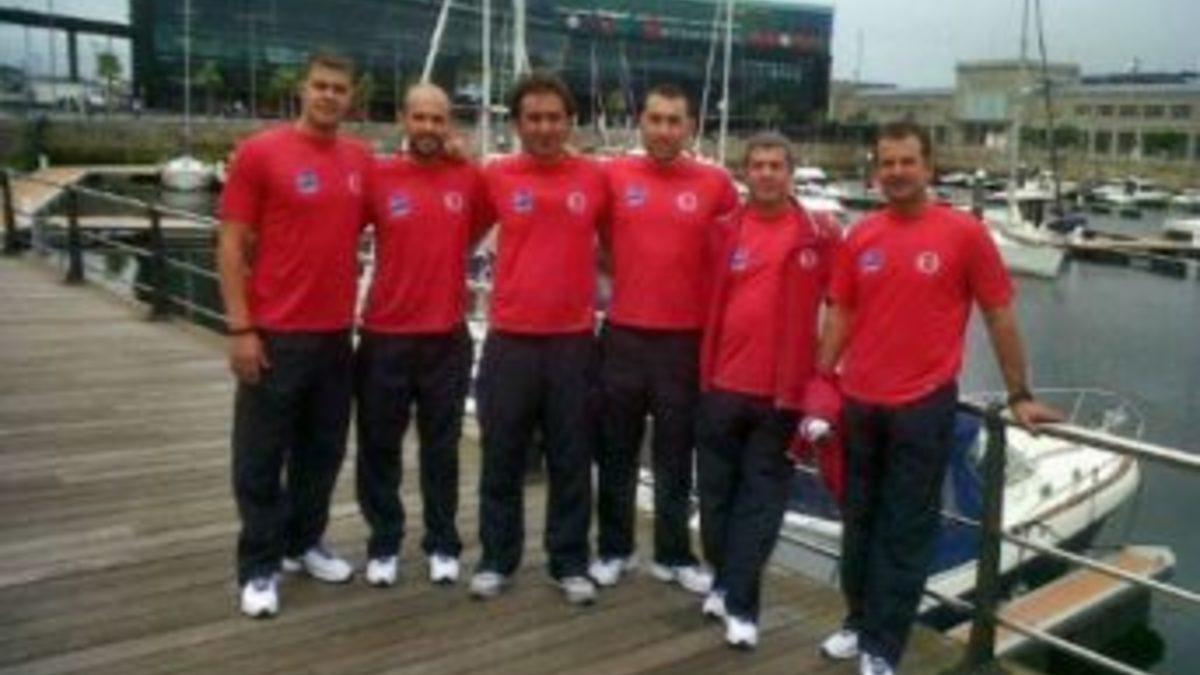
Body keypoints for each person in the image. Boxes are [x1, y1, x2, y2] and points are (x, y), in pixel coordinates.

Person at [814, 120, 1062, 675]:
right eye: (887, 162)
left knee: (904, 531)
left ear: (928, 167)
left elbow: (998, 315)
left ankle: (883, 646)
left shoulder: (964, 234)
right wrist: (820, 380)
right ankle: (857, 622)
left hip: (921, 407)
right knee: (859, 522)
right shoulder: (862, 235)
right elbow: (843, 311)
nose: (897, 172)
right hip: (860, 404)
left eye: (908, 161)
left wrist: (1019, 393)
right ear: (876, 171)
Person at [217, 51, 370, 618]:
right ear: (303, 90)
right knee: (260, 456)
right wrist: (240, 327)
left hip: (335, 335)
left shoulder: (360, 160)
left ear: (351, 97)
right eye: (320, 85)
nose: (329, 95)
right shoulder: (261, 153)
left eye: (339, 88)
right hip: (275, 333)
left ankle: (303, 543)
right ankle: (260, 564)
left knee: (322, 452)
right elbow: (231, 243)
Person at [589, 84, 738, 594]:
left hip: (684, 342)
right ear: (641, 122)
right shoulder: (612, 176)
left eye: (675, 121)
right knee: (616, 452)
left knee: (676, 455)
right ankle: (615, 549)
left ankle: (673, 554)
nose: (665, 130)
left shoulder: (717, 184)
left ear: (690, 127)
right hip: (624, 336)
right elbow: (597, 243)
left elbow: (739, 251)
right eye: (656, 119)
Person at [468, 72, 609, 606]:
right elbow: (461, 233)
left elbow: (621, 245)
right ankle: (496, 559)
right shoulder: (496, 176)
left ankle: (568, 561)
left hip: (573, 343)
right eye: (534, 118)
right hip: (511, 341)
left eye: (554, 117)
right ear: (518, 124)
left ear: (569, 122)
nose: (545, 127)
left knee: (571, 459)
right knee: (501, 457)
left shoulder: (595, 178)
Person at [695, 133, 838, 649]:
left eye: (776, 165)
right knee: (715, 500)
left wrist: (828, 377)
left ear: (790, 172)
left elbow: (845, 307)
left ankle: (743, 606)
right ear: (745, 173)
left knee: (761, 505)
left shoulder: (820, 235)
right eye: (757, 165)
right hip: (720, 386)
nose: (767, 174)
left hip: (781, 396)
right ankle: (723, 579)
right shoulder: (722, 230)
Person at [355, 83, 490, 588]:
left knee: (442, 449)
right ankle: (384, 541)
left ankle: (442, 542)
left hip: (445, 338)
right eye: (420, 118)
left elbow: (477, 229)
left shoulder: (468, 178)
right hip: (384, 336)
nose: (429, 127)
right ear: (404, 120)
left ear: (448, 123)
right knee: (379, 447)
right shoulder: (378, 176)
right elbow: (341, 229)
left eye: (438, 119)